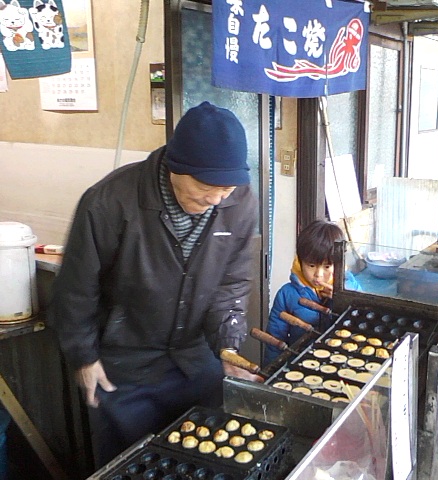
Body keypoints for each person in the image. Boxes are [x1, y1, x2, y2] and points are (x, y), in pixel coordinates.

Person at [48, 102, 260, 467]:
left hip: (196, 360)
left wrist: (227, 345)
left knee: (205, 463)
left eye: (225, 189)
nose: (215, 200)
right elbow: (76, 289)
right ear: (175, 166)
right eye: (205, 187)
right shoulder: (109, 202)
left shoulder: (239, 202)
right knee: (131, 466)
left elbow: (231, 283)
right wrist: (84, 356)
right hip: (126, 367)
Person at [263, 219, 361, 364]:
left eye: (327, 267)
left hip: (342, 362)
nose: (318, 275)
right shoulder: (287, 294)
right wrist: (271, 368)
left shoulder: (350, 286)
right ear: (300, 261)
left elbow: (361, 319)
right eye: (311, 265)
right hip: (300, 363)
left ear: (340, 263)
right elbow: (275, 339)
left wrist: (342, 297)